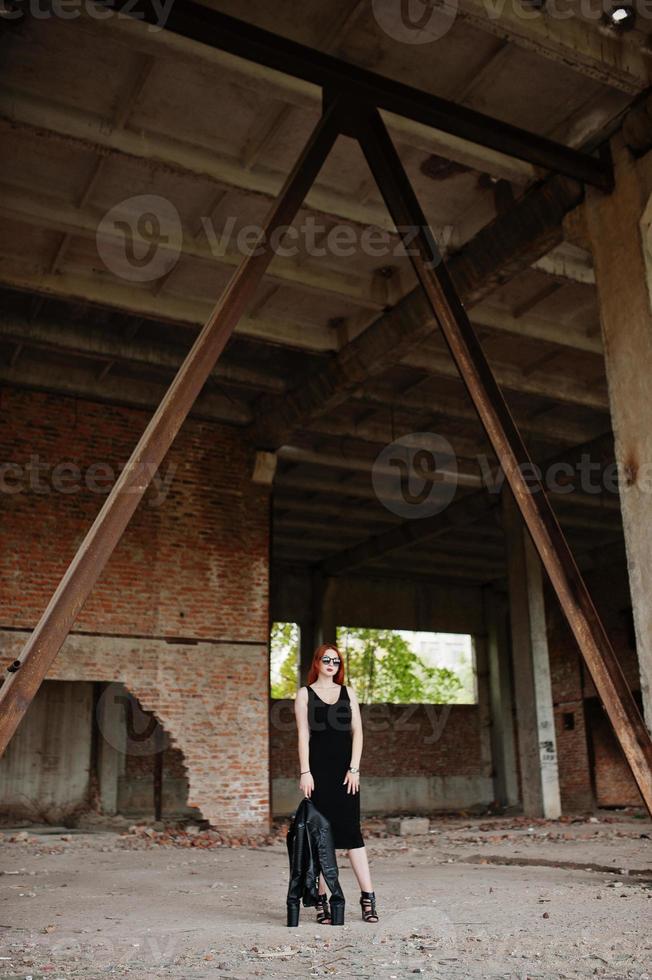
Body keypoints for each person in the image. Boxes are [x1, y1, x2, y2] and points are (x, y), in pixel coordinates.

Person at [294, 642, 379, 924]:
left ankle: (368, 898)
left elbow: (358, 733)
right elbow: (303, 736)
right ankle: (322, 902)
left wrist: (355, 768)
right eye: (327, 659)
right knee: (321, 839)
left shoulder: (348, 694)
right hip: (318, 775)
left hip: (346, 775)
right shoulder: (304, 695)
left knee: (352, 835)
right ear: (317, 662)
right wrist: (305, 772)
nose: (332, 664)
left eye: (337, 661)